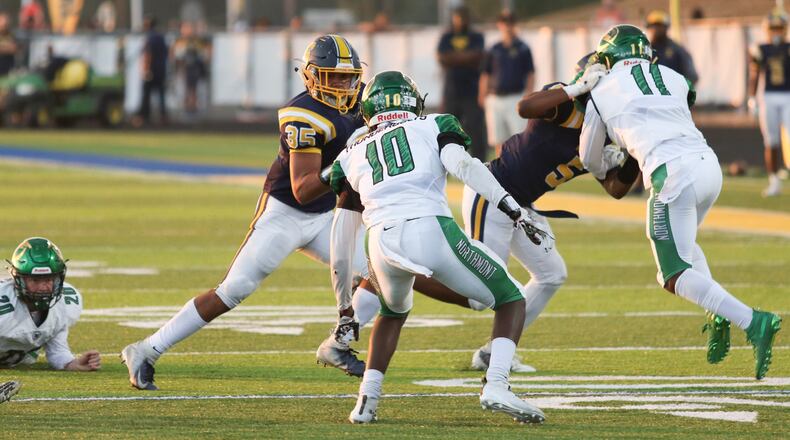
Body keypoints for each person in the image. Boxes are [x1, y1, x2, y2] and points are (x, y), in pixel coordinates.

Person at [121, 35, 372, 390]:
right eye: (334, 77)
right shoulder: (303, 114)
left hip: (326, 217)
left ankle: (337, 344)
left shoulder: (360, 104)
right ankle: (145, 349)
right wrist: (347, 163)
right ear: (312, 76)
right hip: (285, 212)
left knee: (380, 271)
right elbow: (303, 188)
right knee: (234, 288)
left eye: (348, 78)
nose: (343, 86)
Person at [329, 70, 547, 424]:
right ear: (413, 101)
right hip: (429, 228)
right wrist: (511, 206)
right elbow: (462, 165)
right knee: (512, 298)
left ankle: (366, 403)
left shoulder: (352, 151)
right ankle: (497, 384)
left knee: (392, 311)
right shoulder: (432, 125)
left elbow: (341, 233)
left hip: (380, 241)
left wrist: (344, 308)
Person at [580, 25, 782, 380]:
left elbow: (588, 158)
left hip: (670, 173)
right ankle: (717, 312)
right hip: (707, 166)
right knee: (686, 251)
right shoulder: (672, 76)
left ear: (610, 57)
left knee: (671, 273)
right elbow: (679, 103)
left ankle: (753, 321)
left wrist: (614, 156)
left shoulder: (601, 87)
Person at [0, 237, 101, 372]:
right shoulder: (4, 305)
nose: (43, 287)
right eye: (35, 280)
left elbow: (58, 352)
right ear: (18, 280)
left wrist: (73, 364)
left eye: (49, 279)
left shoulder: (65, 303)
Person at [479, 10, 534, 155]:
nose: (507, 27)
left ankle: (519, 168)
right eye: (504, 23)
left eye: (510, 23)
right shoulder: (494, 49)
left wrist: (529, 95)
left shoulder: (523, 48)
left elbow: (530, 73)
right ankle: (501, 170)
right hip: (495, 98)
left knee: (519, 137)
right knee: (498, 139)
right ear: (499, 25)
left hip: (515, 97)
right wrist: (482, 94)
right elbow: (486, 73)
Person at [748, 10, 790, 197]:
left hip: (788, 95)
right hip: (768, 97)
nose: (776, 32)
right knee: (771, 141)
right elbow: (755, 74)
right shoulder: (761, 48)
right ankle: (774, 181)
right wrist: (751, 97)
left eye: (779, 28)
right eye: (773, 28)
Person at [437, 6, 487, 160]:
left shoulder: (476, 36)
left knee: (476, 128)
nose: (459, 21)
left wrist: (454, 58)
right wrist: (466, 58)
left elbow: (478, 56)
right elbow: (441, 57)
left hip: (472, 90)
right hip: (452, 91)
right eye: (457, 17)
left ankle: (480, 160)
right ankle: (447, 159)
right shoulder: (446, 37)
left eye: (462, 17)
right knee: (448, 128)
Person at [645, 10, 698, 85]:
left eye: (659, 26)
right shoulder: (646, 51)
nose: (656, 29)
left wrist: (681, 90)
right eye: (653, 26)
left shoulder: (677, 50)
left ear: (666, 27)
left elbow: (692, 76)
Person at [135, 16, 169, 126]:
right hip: (161, 70)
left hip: (152, 70)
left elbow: (147, 55)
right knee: (161, 95)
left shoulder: (150, 37)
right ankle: (163, 117)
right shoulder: (161, 37)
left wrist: (146, 69)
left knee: (146, 95)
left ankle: (143, 117)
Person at [172, 21, 209, 115]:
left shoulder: (198, 41)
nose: (187, 30)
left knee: (195, 91)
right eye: (184, 28)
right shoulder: (179, 41)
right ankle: (186, 109)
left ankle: (194, 110)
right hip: (183, 71)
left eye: (188, 28)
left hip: (196, 71)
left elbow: (205, 55)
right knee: (184, 91)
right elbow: (175, 57)